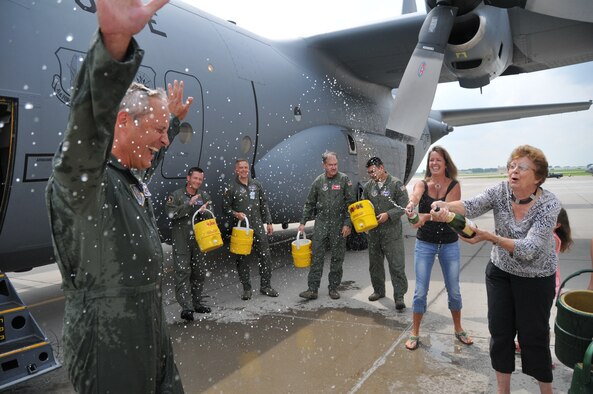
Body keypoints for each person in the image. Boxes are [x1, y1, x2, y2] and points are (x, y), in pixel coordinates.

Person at [45, 1, 192, 392]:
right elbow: (87, 126)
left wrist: (170, 121)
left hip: (148, 332)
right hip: (108, 345)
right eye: (159, 129)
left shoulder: (126, 177)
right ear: (123, 122)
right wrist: (113, 47)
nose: (165, 141)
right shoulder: (86, 183)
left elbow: (149, 153)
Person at [431, 145, 559, 394]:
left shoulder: (549, 204)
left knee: (534, 337)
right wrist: (444, 206)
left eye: (522, 167)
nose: (514, 171)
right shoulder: (500, 191)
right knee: (500, 334)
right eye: (511, 165)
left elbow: (530, 248)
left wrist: (491, 237)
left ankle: (546, 391)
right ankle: (503, 391)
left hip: (536, 278)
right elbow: (471, 205)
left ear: (538, 177)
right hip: (501, 272)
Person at [403, 146, 472, 350]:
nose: (434, 163)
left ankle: (458, 328)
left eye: (438, 160)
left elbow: (446, 213)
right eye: (431, 160)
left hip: (449, 244)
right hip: (425, 243)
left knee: (454, 290)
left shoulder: (454, 186)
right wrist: (411, 205)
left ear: (445, 163)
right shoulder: (422, 184)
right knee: (420, 291)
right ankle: (415, 332)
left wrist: (423, 217)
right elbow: (415, 196)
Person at [298, 151, 355, 300]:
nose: (334, 167)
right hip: (321, 225)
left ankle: (334, 288)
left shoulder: (344, 180)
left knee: (337, 258)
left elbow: (351, 205)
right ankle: (312, 289)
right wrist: (303, 222)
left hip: (338, 225)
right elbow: (309, 203)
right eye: (330, 165)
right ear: (324, 165)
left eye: (335, 164)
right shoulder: (318, 182)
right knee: (316, 257)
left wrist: (347, 224)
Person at [223, 159, 279, 300]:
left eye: (245, 167)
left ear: (248, 169)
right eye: (240, 168)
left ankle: (265, 286)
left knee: (265, 257)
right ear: (236, 170)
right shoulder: (230, 187)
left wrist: (269, 222)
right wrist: (236, 214)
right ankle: (247, 289)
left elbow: (263, 204)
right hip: (242, 229)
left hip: (258, 226)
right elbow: (225, 208)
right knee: (242, 259)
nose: (243, 170)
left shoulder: (256, 184)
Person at [362, 157, 408, 311]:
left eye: (373, 171)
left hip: (392, 233)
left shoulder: (396, 184)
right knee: (375, 265)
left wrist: (388, 214)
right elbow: (364, 205)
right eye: (369, 173)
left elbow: (404, 206)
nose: (372, 175)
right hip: (374, 233)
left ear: (381, 168)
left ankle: (399, 296)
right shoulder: (369, 187)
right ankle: (378, 291)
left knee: (396, 265)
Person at [167, 167, 213, 322]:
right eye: (195, 178)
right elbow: (170, 214)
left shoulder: (204, 195)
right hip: (181, 239)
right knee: (182, 272)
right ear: (188, 178)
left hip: (199, 239)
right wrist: (189, 204)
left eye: (200, 179)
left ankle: (196, 303)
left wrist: (204, 211)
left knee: (199, 272)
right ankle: (186, 307)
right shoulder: (176, 195)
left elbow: (210, 214)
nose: (198, 182)